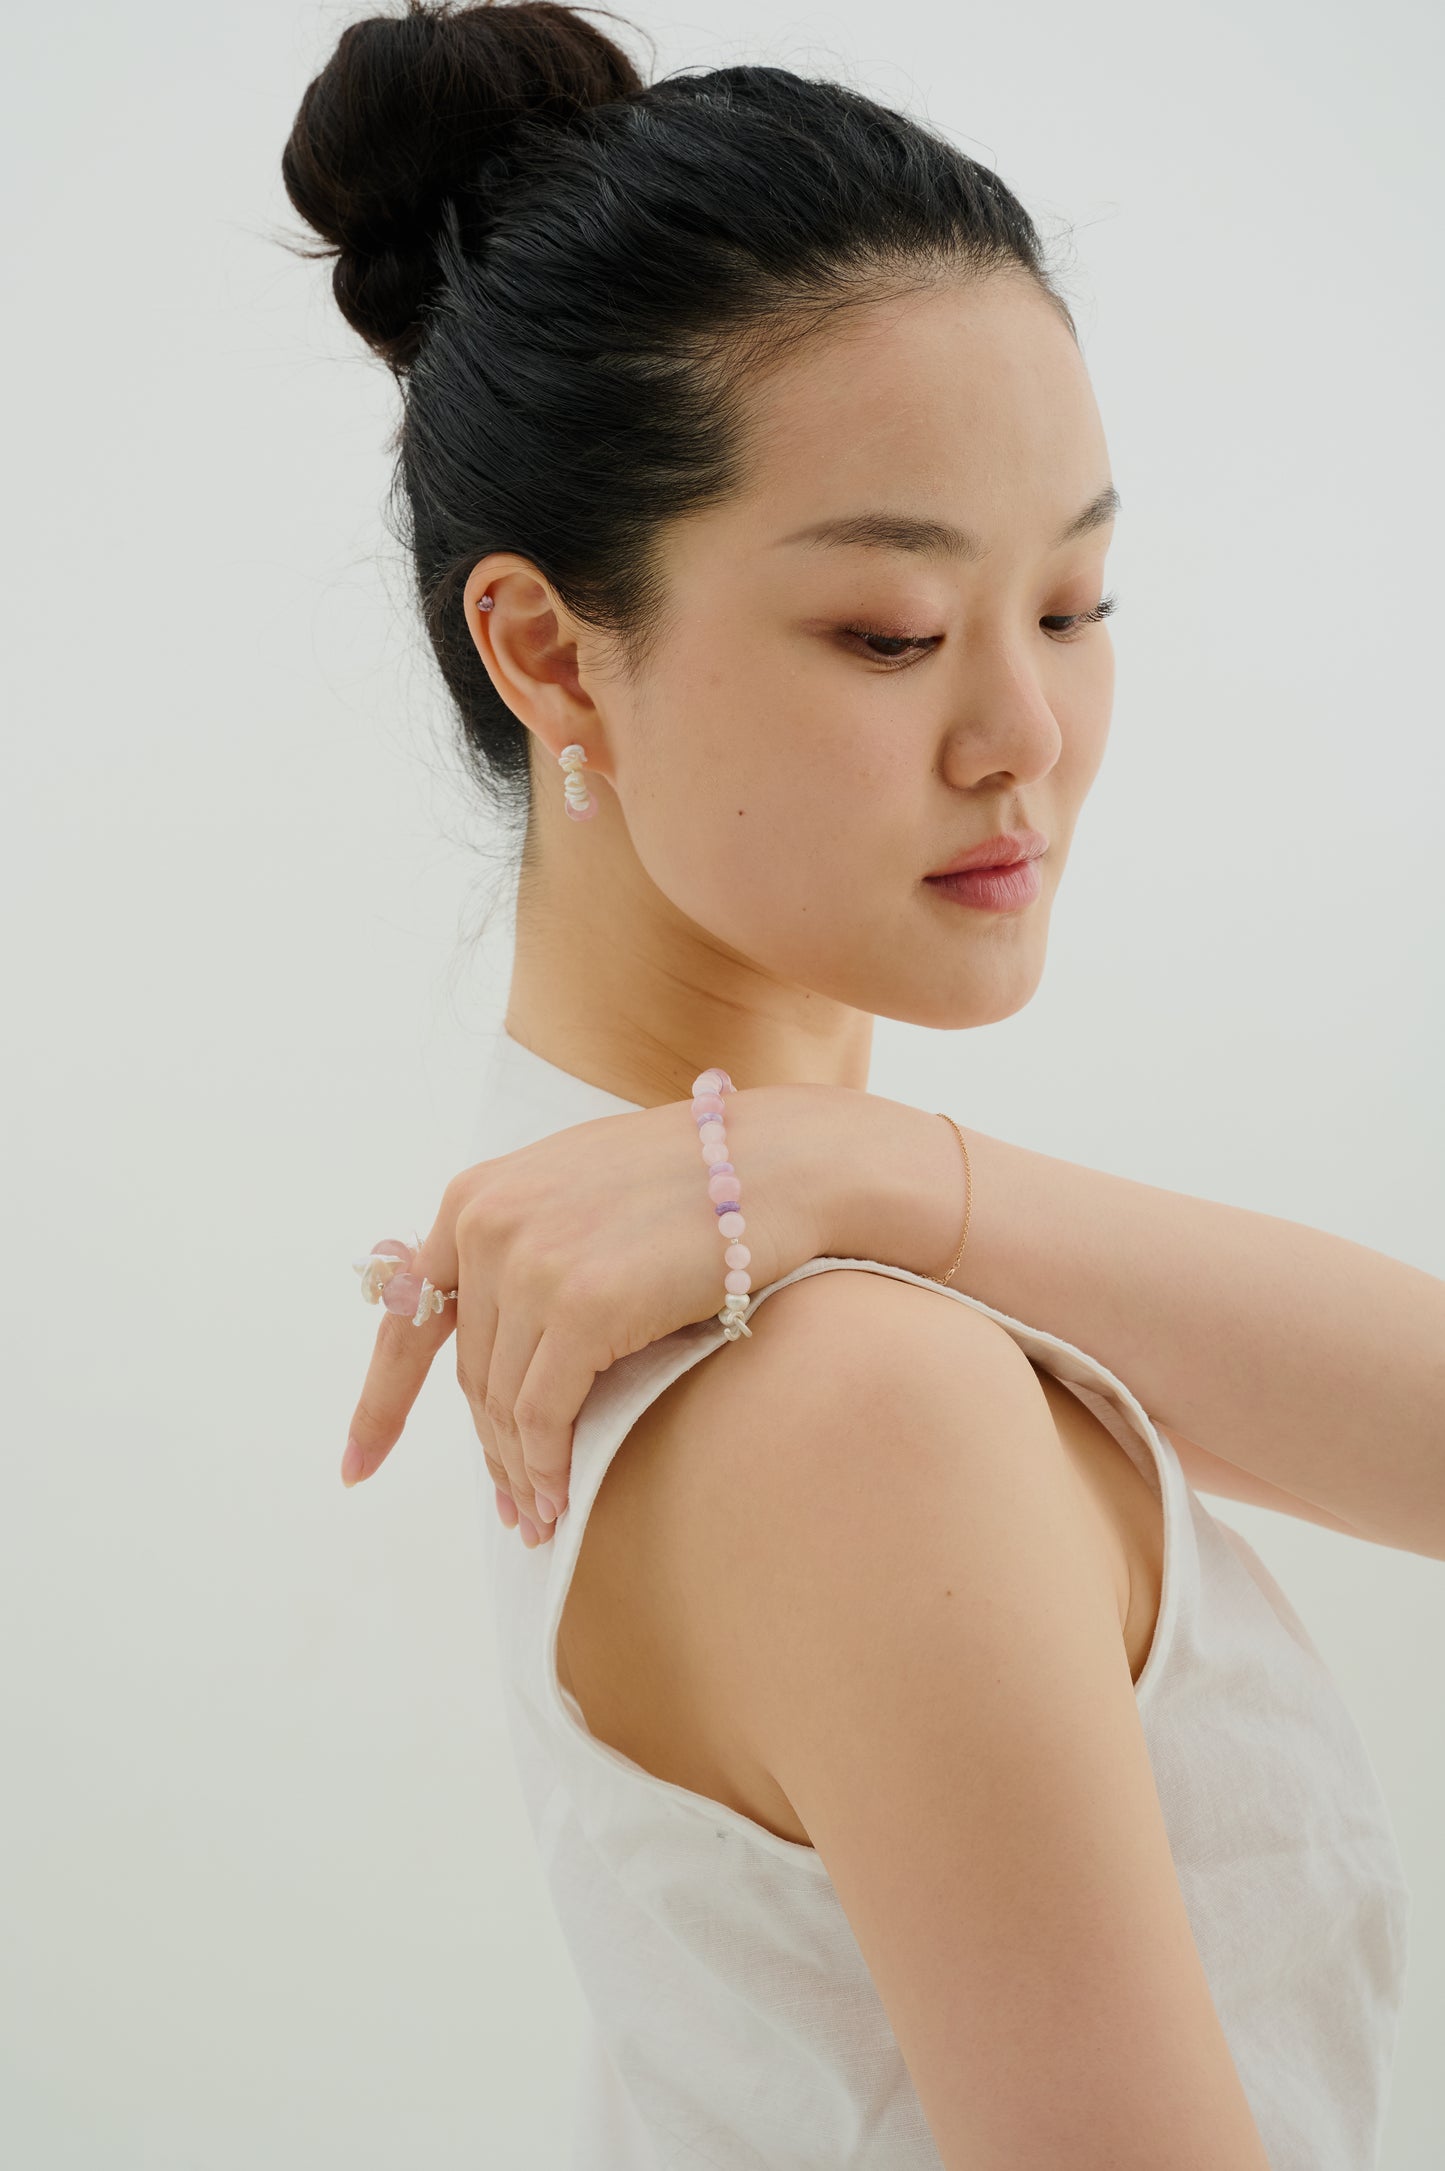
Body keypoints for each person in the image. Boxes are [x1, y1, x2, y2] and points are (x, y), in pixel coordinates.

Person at [284, 5, 1426, 2162]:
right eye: (892, 632)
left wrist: (889, 1171)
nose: (1027, 737)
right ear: (547, 652)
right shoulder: (847, 1398)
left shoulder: (731, 1252)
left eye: (1074, 603)